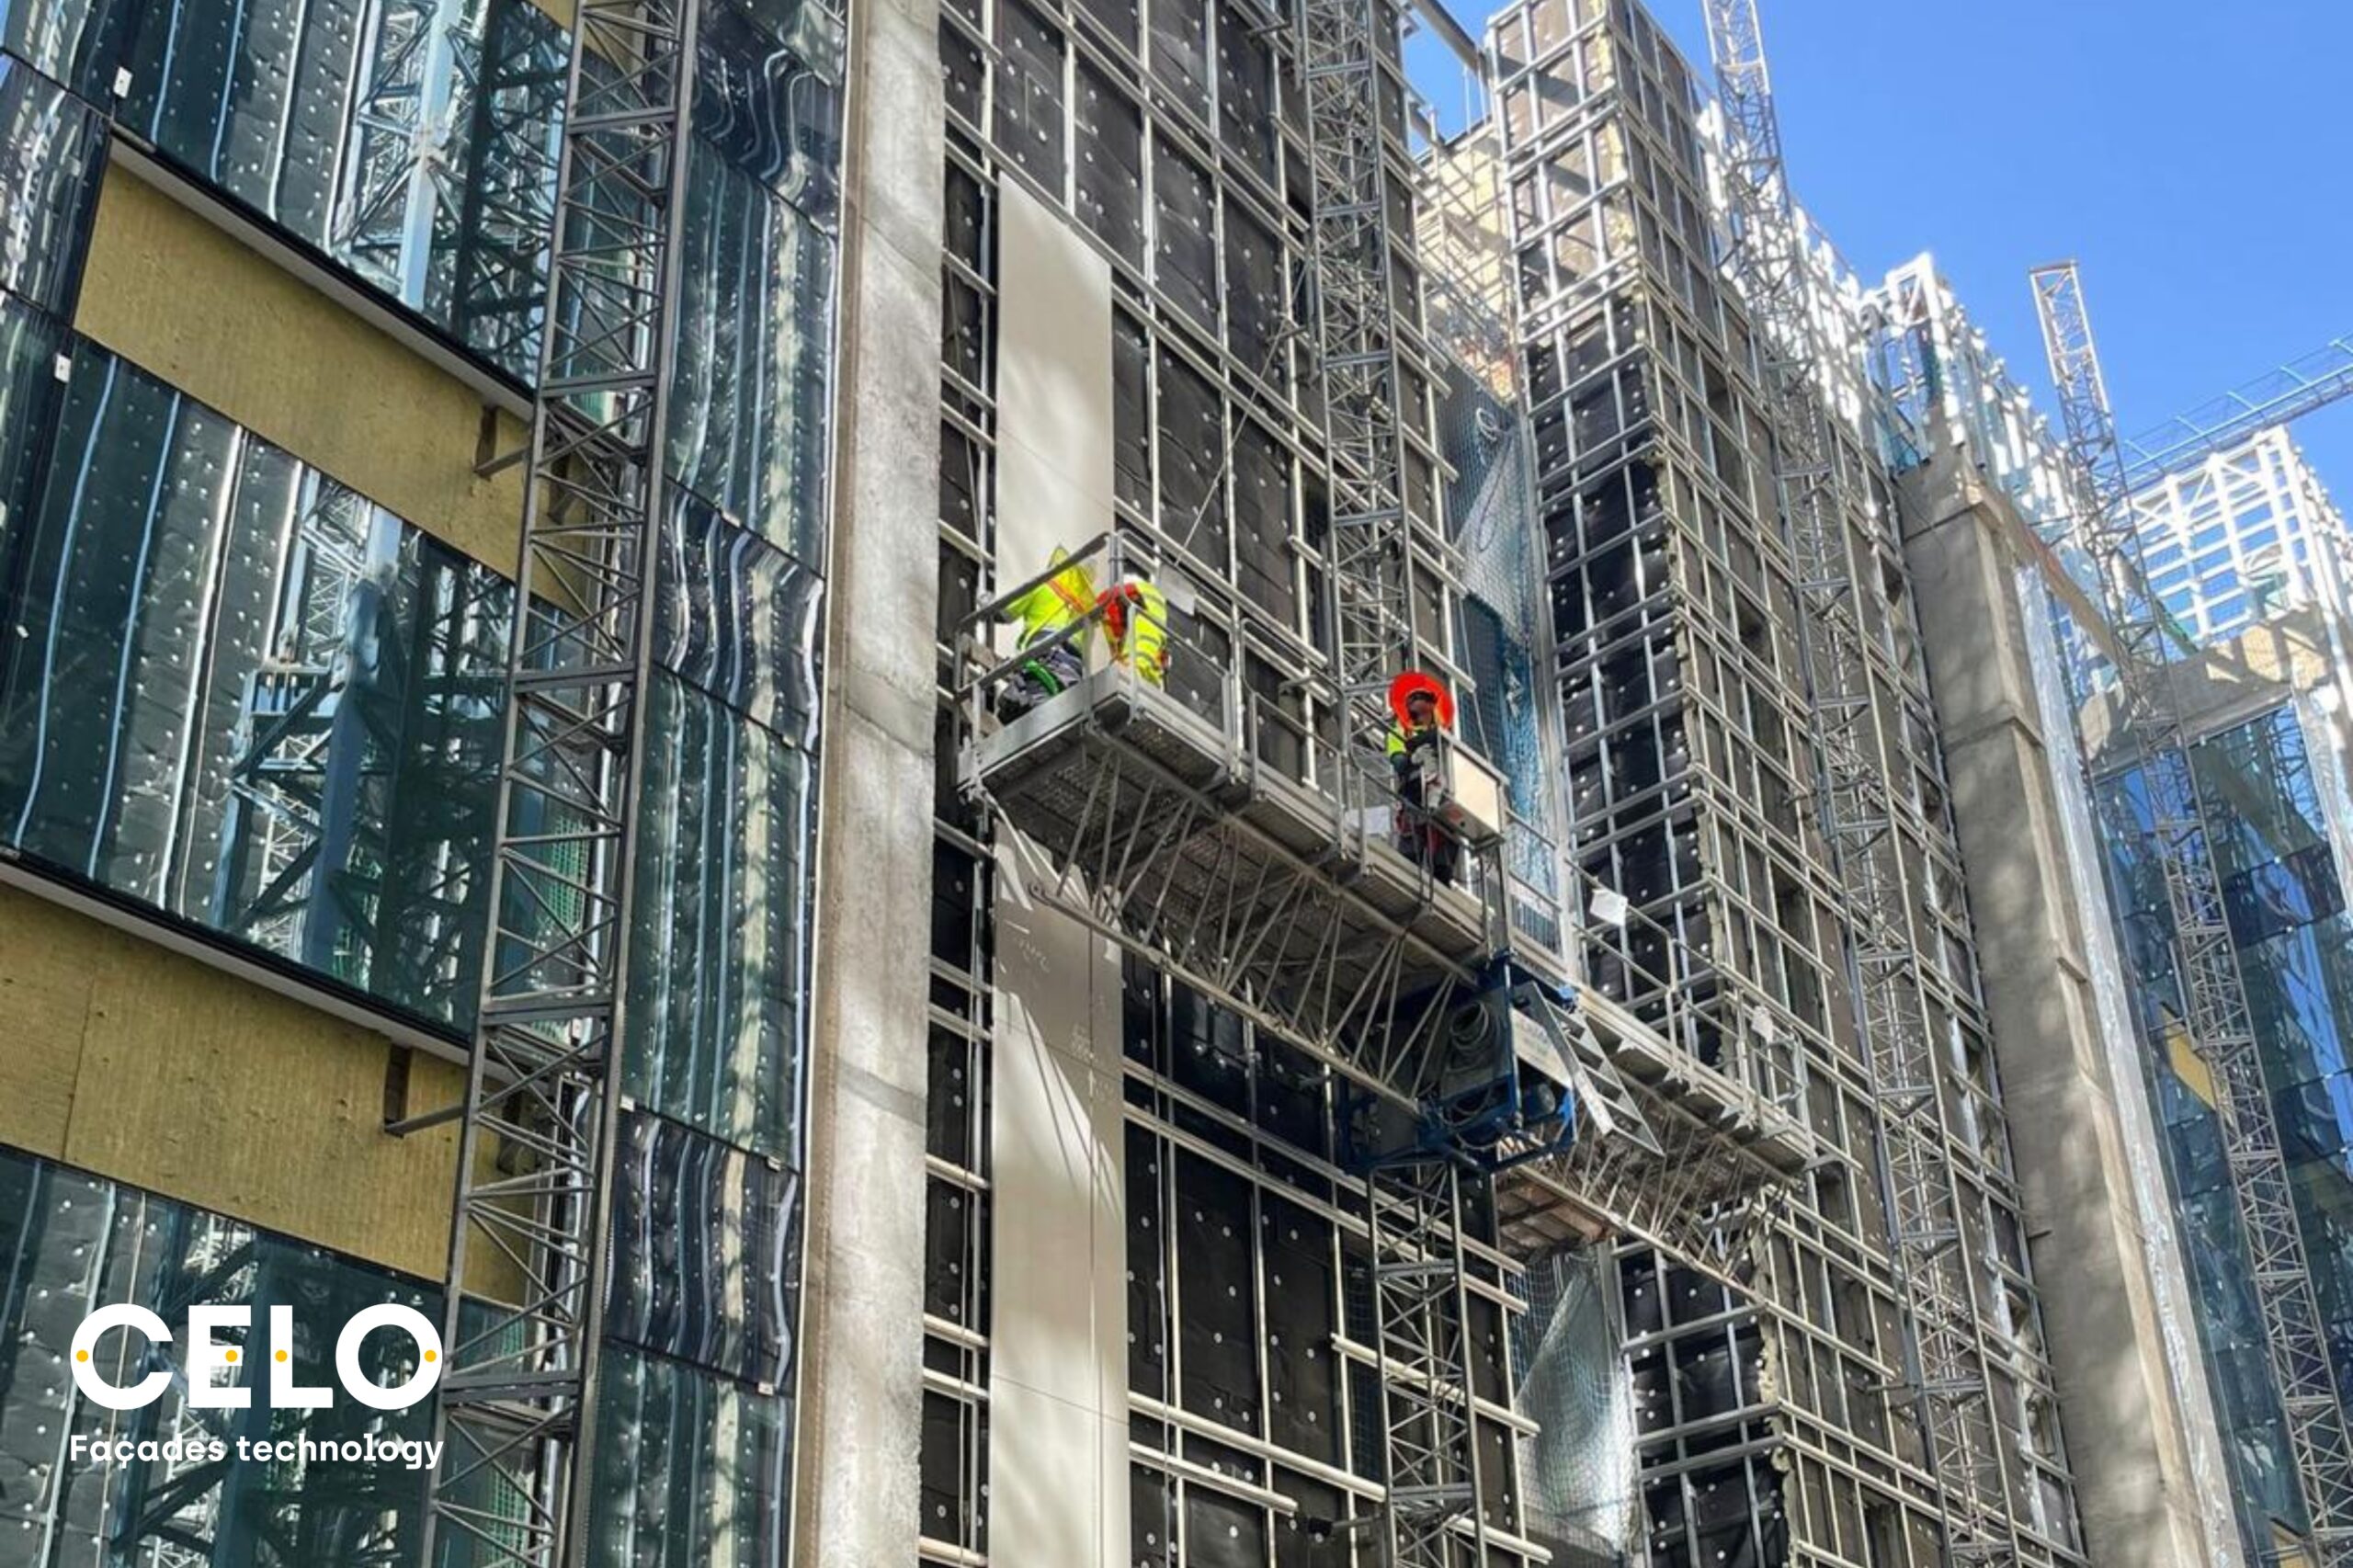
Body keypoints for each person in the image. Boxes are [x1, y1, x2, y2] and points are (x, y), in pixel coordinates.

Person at [996, 546, 1096, 718]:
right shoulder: (1086, 612)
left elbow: (1004, 613)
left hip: (1044, 660)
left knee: (1034, 713)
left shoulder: (1045, 585)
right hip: (1072, 674)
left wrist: (987, 603)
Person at [1384, 670, 1460, 884]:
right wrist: (1413, 759)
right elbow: (1398, 761)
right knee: (1412, 845)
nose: (1422, 704)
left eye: (1425, 700)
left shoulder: (1444, 737)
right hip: (1414, 793)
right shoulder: (1402, 732)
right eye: (1416, 699)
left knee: (1443, 849)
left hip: (1441, 795)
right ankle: (1407, 878)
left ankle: (1443, 882)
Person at [1100, 571, 1170, 687]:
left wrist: (1131, 669)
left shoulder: (1145, 621)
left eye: (1122, 602)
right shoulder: (1137, 624)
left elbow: (1144, 649)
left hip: (1139, 682)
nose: (1120, 608)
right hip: (1139, 682)